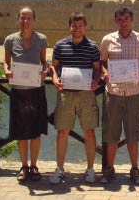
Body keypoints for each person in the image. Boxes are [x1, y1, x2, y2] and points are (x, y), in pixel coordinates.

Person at [100, 6, 139, 184]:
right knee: (111, 133)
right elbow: (102, 61)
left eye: (126, 19)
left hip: (133, 92)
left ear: (132, 20)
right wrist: (105, 73)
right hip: (113, 92)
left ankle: (134, 168)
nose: (123, 23)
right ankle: (109, 169)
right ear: (116, 21)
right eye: (120, 20)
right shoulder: (107, 40)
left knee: (133, 132)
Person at [49, 12, 101, 184]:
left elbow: (97, 68)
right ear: (69, 26)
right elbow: (53, 66)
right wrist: (55, 78)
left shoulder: (92, 46)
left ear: (85, 26)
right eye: (74, 25)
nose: (77, 29)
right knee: (62, 131)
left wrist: (96, 80)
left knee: (89, 131)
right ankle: (60, 168)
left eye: (80, 26)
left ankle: (91, 169)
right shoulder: (60, 45)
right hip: (66, 94)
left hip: (86, 94)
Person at [3, 7, 48, 181]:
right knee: (20, 131)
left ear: (34, 20)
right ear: (18, 19)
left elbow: (44, 62)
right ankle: (23, 166)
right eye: (22, 18)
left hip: (36, 90)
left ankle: (34, 165)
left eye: (28, 18)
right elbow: (6, 63)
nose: (25, 21)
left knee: (35, 130)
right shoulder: (10, 40)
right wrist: (7, 71)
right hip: (18, 91)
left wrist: (45, 71)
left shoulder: (41, 39)